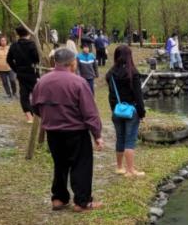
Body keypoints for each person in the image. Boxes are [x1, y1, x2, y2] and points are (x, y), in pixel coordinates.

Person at [30, 47, 104, 211]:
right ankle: (82, 201)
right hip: (75, 131)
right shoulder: (78, 82)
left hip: (53, 132)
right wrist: (97, 134)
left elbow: (34, 106)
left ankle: (59, 198)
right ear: (72, 62)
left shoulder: (42, 81)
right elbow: (89, 112)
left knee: (60, 164)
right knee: (81, 165)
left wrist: (49, 117)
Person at [105, 45, 146, 177]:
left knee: (120, 139)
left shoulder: (110, 74)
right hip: (131, 111)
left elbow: (111, 95)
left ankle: (119, 167)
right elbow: (138, 96)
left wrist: (114, 109)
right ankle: (130, 170)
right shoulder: (133, 73)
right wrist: (141, 113)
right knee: (130, 140)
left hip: (117, 111)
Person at [6, 26, 40, 123]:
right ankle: (38, 114)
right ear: (28, 33)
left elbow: (8, 60)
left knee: (24, 95)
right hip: (32, 72)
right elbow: (37, 59)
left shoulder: (14, 45)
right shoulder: (31, 44)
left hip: (21, 73)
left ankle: (30, 117)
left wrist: (16, 69)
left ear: (18, 34)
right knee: (36, 93)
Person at [0, 33, 18, 99]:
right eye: (2, 40)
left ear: (6, 41)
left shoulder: (10, 48)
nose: (3, 42)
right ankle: (8, 94)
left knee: (12, 80)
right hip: (1, 69)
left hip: (10, 67)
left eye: (4, 40)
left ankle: (14, 93)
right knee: (5, 82)